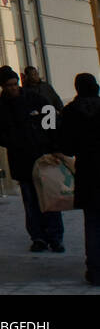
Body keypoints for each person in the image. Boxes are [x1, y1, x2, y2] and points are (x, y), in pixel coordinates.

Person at [0, 65, 65, 252]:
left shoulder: (35, 99)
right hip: (21, 158)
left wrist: (53, 146)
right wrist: (10, 141)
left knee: (50, 198)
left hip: (43, 156)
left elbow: (52, 122)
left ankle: (55, 236)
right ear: (3, 86)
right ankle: (38, 236)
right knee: (30, 201)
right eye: (9, 85)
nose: (13, 88)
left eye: (14, 84)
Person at [59, 72, 100, 286]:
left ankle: (95, 270)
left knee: (92, 222)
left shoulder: (70, 112)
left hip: (87, 170)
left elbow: (65, 145)